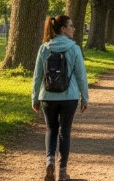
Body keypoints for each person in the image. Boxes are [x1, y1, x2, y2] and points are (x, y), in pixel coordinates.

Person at [32, 15, 89, 181]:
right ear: (63, 29)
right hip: (69, 97)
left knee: (51, 129)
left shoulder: (44, 48)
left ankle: (49, 161)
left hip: (47, 97)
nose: (74, 29)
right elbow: (81, 76)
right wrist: (85, 98)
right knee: (65, 132)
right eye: (71, 26)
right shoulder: (74, 48)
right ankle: (63, 172)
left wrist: (35, 98)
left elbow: (38, 76)